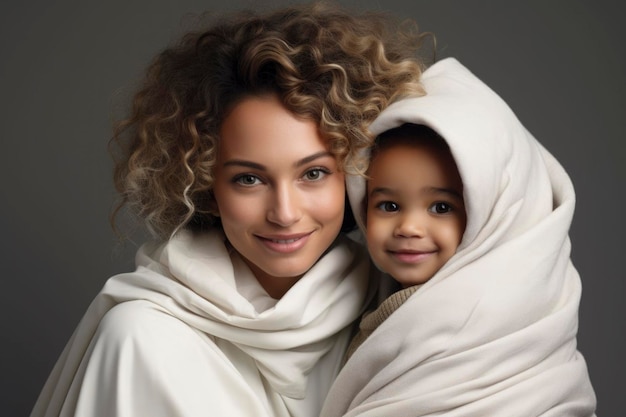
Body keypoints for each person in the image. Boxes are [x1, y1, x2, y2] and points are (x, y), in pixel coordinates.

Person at [29, 3, 426, 417]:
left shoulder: (393, 307)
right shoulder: (143, 341)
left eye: (313, 174)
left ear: (355, 173)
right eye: (249, 179)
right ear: (205, 184)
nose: (285, 213)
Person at [321, 57, 597, 416]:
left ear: (490, 212)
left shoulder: (502, 316)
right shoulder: (363, 302)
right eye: (388, 206)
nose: (409, 227)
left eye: (441, 208)